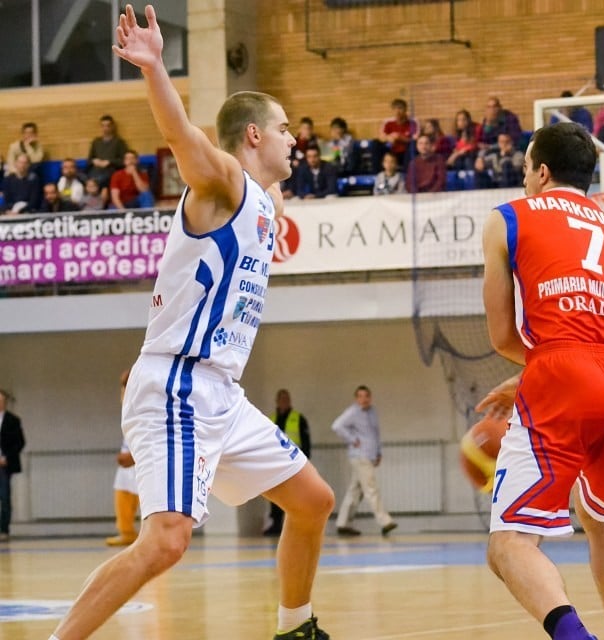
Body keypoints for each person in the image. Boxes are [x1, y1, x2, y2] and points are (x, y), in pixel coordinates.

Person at [51, 7, 335, 640]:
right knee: (167, 541)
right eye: (284, 129)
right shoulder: (221, 182)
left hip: (220, 394)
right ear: (253, 136)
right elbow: (184, 136)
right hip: (178, 384)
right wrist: (154, 67)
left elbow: (267, 196)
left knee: (313, 500)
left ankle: (294, 629)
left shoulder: (265, 200)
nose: (296, 138)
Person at [476, 122, 604, 640]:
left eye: (526, 168)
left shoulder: (506, 217)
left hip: (564, 376)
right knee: (601, 517)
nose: (525, 179)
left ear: (542, 171)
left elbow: (504, 335)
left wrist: (537, 371)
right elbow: (599, 327)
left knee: (508, 544)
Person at [331, 385, 397, 538]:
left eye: (366, 396)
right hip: (359, 456)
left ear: (370, 397)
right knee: (371, 488)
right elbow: (337, 426)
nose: (364, 399)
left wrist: (378, 452)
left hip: (370, 455)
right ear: (356, 398)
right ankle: (385, 521)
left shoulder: (373, 412)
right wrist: (353, 439)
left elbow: (375, 433)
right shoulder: (352, 412)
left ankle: (343, 523)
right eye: (360, 396)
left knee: (355, 491)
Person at [264, 389, 312, 536]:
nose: (284, 401)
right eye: (282, 398)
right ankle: (276, 524)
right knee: (277, 495)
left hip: (293, 463)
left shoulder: (298, 418)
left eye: (287, 398)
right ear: (277, 401)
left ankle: (297, 524)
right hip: (275, 463)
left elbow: (306, 442)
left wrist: (306, 463)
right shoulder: (270, 419)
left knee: (296, 495)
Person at [106, 369, 139, 547]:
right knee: (122, 494)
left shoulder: (145, 403)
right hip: (129, 457)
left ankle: (156, 533)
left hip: (144, 458)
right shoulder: (127, 406)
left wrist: (134, 456)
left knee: (152, 502)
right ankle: (126, 532)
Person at [0, 389, 26, 542]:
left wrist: (7, 458)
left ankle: (4, 529)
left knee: (4, 497)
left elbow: (20, 442)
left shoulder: (13, 420)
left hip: (4, 464)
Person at [87, 114, 129, 189]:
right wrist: (94, 161)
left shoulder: (119, 142)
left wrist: (109, 162)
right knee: (88, 178)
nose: (105, 128)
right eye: (103, 126)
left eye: (108, 125)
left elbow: (124, 161)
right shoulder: (96, 142)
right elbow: (89, 160)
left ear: (112, 126)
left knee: (100, 180)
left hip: (111, 171)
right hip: (96, 170)